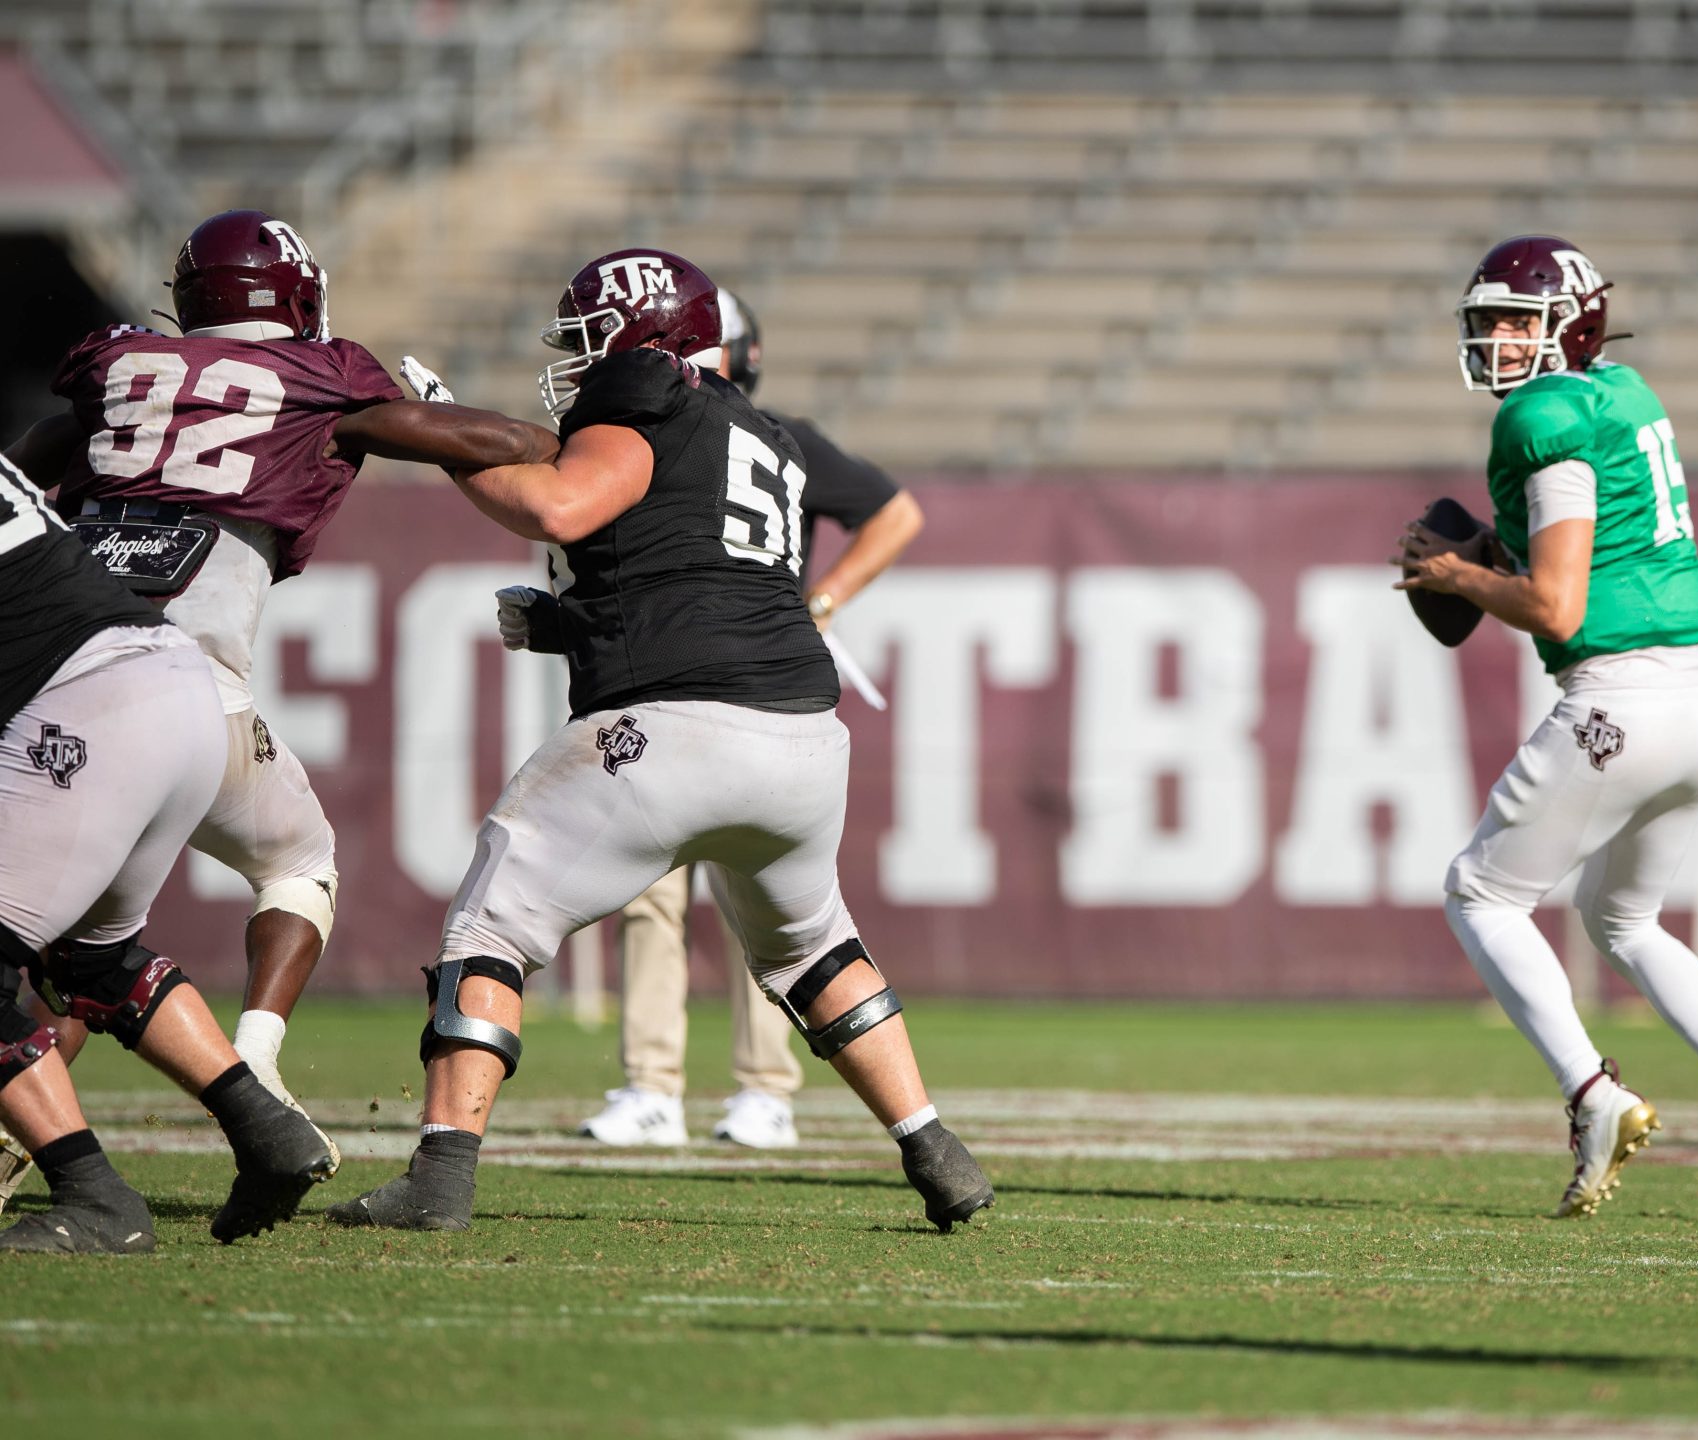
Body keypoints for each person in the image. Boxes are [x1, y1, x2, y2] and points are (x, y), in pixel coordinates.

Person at [326, 248, 990, 1233]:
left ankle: (440, 1172)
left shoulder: (648, 390)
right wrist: (573, 623)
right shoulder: (764, 430)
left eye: (591, 334)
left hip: (672, 728)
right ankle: (932, 1144)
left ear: (645, 333)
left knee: (490, 928)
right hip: (804, 741)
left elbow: (562, 505)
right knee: (812, 947)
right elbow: (686, 572)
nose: (578, 357)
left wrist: (456, 443)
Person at [0, 209, 562, 1211]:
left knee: (69, 941)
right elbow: (501, 440)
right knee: (291, 864)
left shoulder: (122, 378)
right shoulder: (318, 380)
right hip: (187, 698)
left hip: (50, 678)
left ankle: (56, 1152)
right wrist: (471, 419)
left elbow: (25, 467)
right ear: (297, 296)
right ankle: (252, 1061)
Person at [1399, 236, 1698, 1222]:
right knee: (1622, 920)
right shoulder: (1623, 391)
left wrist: (1461, 577)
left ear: (1568, 324)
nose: (1495, 339)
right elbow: (1594, 533)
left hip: (1621, 702)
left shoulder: (1542, 412)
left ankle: (1591, 1093)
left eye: (1515, 321)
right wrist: (1494, 549)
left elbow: (1559, 606)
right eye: (1485, 321)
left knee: (1479, 893)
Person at [578, 288, 924, 1151]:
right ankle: (653, 1083)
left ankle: (762, 1086)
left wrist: (827, 599)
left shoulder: (775, 438)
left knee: (756, 901)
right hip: (662, 684)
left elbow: (895, 510)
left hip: (742, 685)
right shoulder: (643, 439)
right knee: (649, 894)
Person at [0, 452, 337, 1251]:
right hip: (180, 687)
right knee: (91, 962)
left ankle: (94, 1196)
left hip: (86, 703)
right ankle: (265, 1130)